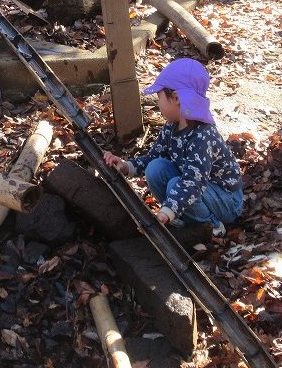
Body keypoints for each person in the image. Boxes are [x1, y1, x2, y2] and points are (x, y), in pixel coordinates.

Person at [102, 58, 243, 236]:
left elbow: (193, 182)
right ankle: (183, 217)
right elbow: (152, 158)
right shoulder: (171, 127)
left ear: (176, 98)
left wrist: (167, 211)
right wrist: (125, 166)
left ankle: (212, 225)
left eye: (160, 97)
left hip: (226, 199)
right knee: (155, 168)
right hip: (199, 191)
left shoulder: (202, 136)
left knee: (176, 185)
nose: (158, 102)